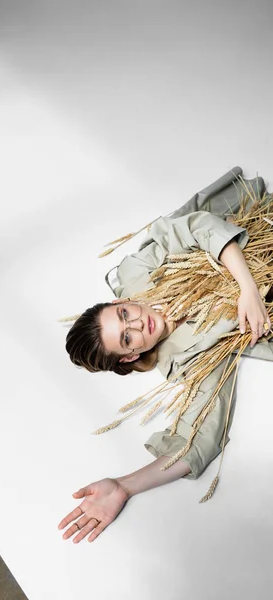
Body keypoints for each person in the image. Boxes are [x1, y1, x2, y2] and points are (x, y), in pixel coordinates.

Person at [57, 167, 273, 544]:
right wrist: (124, 486)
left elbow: (198, 226)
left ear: (120, 301)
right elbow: (198, 439)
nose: (139, 324)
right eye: (127, 338)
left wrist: (247, 289)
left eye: (124, 314)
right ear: (128, 357)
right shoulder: (184, 361)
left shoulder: (138, 273)